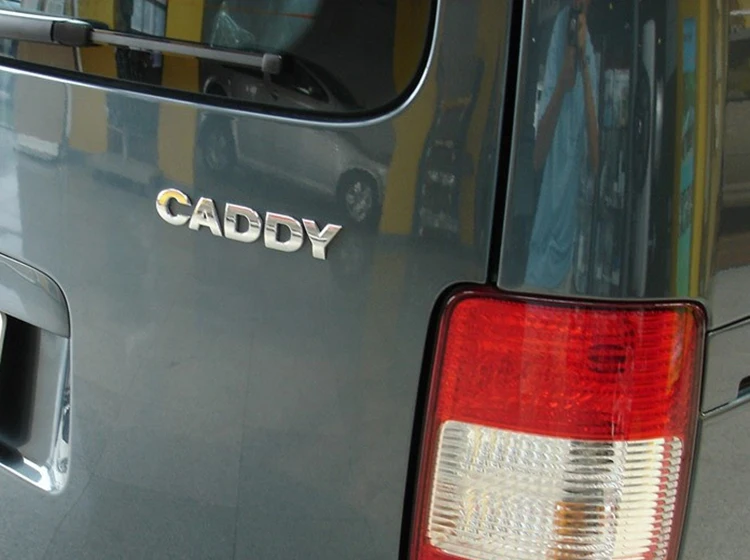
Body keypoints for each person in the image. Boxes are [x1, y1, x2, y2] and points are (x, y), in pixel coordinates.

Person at [525, 0, 599, 290]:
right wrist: (561, 86)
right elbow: (537, 157)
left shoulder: (590, 52)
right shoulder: (558, 33)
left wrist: (584, 68)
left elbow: (595, 160)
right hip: (543, 249)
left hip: (575, 250)